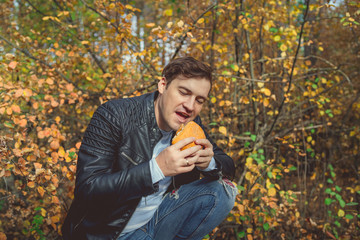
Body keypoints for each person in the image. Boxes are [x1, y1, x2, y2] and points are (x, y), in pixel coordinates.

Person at [62, 56, 237, 240]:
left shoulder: (191, 125)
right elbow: (87, 189)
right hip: (108, 234)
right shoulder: (114, 115)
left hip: (157, 224)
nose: (190, 106)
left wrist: (209, 163)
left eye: (199, 100)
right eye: (184, 92)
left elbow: (228, 166)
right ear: (163, 85)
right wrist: (156, 169)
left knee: (222, 191)